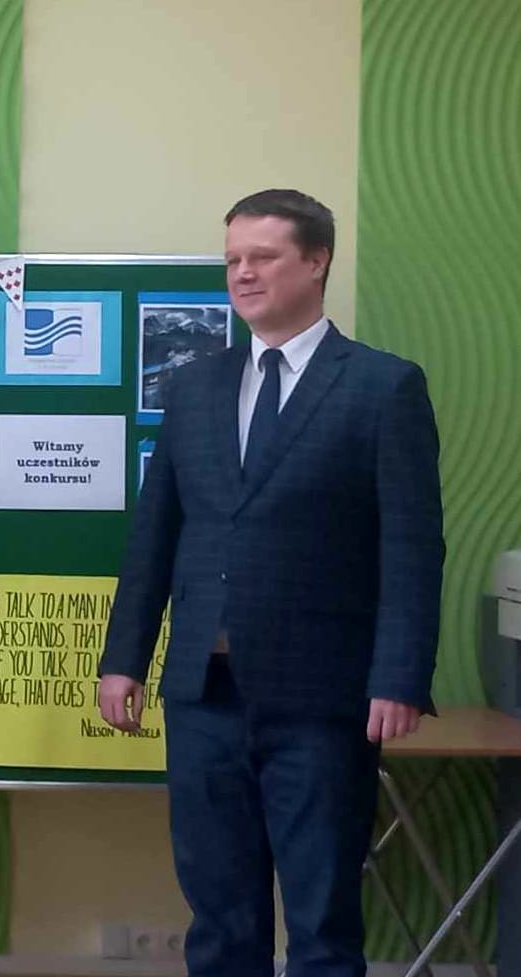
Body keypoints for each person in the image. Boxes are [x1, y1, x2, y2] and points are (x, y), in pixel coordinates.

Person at [99, 189, 444, 977]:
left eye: (262, 257)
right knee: (220, 920)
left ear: (317, 261)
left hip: (323, 700)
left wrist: (399, 676)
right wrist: (124, 658)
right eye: (232, 260)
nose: (242, 273)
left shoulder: (383, 387)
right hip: (204, 694)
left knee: (323, 922)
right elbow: (156, 536)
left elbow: (412, 547)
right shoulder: (193, 387)